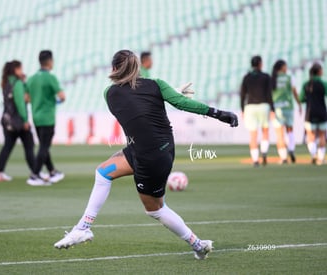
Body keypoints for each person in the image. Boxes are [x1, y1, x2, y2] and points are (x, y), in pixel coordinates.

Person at [54, 50, 238, 260]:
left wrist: (172, 93)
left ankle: (198, 244)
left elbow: (136, 101)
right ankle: (83, 228)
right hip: (154, 151)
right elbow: (178, 103)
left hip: (149, 157)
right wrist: (219, 113)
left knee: (155, 209)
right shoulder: (156, 85)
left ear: (114, 69)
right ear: (137, 68)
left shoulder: (109, 94)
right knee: (103, 172)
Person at [26, 50, 66, 186]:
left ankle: (52, 171)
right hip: (47, 117)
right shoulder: (50, 77)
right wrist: (53, 101)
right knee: (44, 146)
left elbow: (26, 98)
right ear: (49, 61)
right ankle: (35, 175)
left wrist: (38, 100)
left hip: (36, 117)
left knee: (44, 145)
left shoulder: (31, 79)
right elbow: (62, 96)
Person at [0, 60, 35, 182]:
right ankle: (35, 172)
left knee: (7, 146)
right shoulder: (17, 83)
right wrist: (25, 120)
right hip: (19, 122)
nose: (22, 71)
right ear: (16, 70)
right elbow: (21, 103)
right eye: (20, 69)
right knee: (29, 146)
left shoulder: (6, 82)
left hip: (7, 121)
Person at [240, 56, 274, 167]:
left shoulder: (247, 77)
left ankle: (255, 160)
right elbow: (269, 94)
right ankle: (264, 152)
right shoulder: (266, 76)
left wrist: (242, 109)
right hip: (263, 105)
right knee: (265, 131)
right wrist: (272, 109)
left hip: (250, 107)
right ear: (260, 63)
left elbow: (242, 95)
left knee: (253, 135)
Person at [271, 60, 302, 163]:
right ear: (282, 67)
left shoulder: (272, 79)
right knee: (290, 131)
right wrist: (299, 103)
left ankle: (283, 157)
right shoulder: (290, 78)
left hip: (277, 108)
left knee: (279, 134)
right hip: (288, 107)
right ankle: (291, 149)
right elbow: (294, 92)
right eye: (285, 66)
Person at [300, 63, 327, 165]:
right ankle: (321, 158)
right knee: (321, 135)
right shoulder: (323, 83)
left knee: (310, 136)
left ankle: (313, 155)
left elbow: (301, 98)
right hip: (322, 112)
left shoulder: (306, 84)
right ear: (319, 71)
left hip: (309, 113)